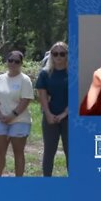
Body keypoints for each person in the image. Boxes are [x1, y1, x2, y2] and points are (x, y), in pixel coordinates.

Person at [0, 51, 34, 177]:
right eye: (10, 60)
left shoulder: (25, 80)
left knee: (18, 152)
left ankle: (18, 182)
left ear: (21, 63)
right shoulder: (0, 78)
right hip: (2, 120)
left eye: (16, 61)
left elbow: (26, 100)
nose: (13, 63)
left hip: (19, 120)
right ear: (7, 61)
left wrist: (12, 115)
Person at [35, 42, 68, 177]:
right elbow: (42, 95)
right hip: (49, 116)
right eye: (55, 54)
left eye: (62, 54)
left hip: (68, 117)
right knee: (49, 151)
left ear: (67, 55)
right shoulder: (45, 74)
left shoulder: (73, 73)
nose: (58, 56)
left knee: (71, 151)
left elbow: (77, 96)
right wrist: (48, 113)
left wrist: (64, 114)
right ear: (51, 55)